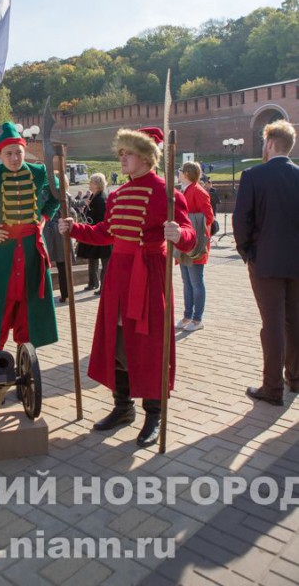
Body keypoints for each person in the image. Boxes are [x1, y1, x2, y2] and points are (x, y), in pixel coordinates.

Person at [59, 127, 196, 446]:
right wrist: (75, 229)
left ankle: (154, 414)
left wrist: (179, 234)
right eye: (120, 153)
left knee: (150, 346)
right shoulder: (118, 195)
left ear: (146, 157)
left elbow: (190, 237)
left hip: (148, 276)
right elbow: (106, 232)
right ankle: (123, 408)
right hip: (118, 276)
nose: (122, 158)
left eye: (128, 153)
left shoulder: (167, 194)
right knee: (117, 342)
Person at [0, 121, 59, 358]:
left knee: (28, 298)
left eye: (18, 152)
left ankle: (25, 353)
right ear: (0, 154)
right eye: (9, 153)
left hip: (31, 248)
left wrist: (45, 217)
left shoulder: (39, 173)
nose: (14, 158)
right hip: (2, 249)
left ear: (24, 151)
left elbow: (57, 195)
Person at [233, 119, 299, 407]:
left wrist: (247, 251)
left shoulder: (253, 175)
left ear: (270, 143)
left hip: (265, 261)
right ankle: (295, 378)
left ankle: (272, 388)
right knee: (294, 321)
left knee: (272, 323)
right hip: (296, 262)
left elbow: (241, 220)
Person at [176, 162, 214, 331]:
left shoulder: (198, 191)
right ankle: (187, 316)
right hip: (185, 241)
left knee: (196, 282)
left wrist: (186, 220)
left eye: (180, 171)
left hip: (195, 243)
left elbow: (209, 216)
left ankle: (197, 319)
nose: (178, 173)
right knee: (187, 281)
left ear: (187, 174)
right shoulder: (184, 190)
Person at [76, 173, 112, 296]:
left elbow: (102, 218)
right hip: (94, 232)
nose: (89, 184)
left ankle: (103, 287)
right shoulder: (94, 196)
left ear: (96, 184)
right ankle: (93, 283)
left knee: (105, 261)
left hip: (100, 233)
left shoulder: (101, 198)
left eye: (91, 182)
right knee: (93, 258)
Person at [43, 173, 77, 304]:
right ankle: (65, 294)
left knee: (50, 265)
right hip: (59, 230)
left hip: (54, 230)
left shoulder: (51, 195)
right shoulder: (66, 196)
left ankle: (53, 295)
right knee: (61, 265)